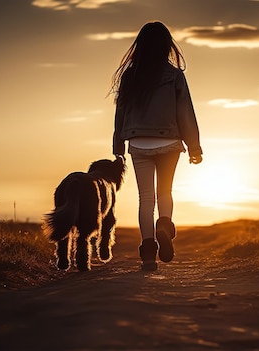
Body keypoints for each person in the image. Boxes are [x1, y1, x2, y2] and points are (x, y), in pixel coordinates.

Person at [111, 21, 202, 271]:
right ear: (166, 46)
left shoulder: (130, 76)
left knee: (145, 199)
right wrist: (194, 147)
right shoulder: (174, 75)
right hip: (170, 142)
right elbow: (185, 113)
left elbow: (121, 111)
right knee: (165, 192)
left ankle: (149, 255)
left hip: (138, 142)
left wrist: (118, 144)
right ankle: (164, 225)